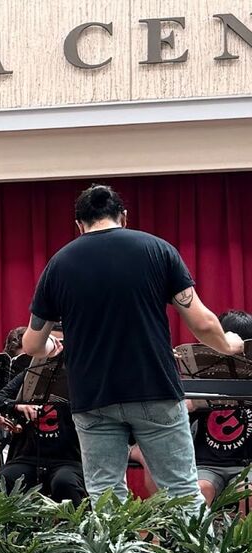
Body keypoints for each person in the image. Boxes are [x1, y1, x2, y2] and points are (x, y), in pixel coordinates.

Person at [23, 184, 245, 506]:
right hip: (153, 388)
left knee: (105, 499)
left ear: (78, 225)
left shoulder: (59, 264)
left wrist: (48, 350)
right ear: (124, 217)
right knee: (183, 493)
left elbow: (32, 344)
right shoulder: (158, 250)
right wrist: (230, 345)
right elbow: (204, 324)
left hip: (92, 397)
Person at [0, 327, 88, 505]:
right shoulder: (29, 375)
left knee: (65, 483)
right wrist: (17, 406)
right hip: (27, 455)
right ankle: (11, 532)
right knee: (7, 478)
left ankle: (75, 531)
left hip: (68, 458)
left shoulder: (80, 379)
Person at [188, 310, 252, 507]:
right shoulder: (200, 377)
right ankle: (199, 539)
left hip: (247, 465)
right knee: (199, 491)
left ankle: (241, 539)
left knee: (247, 493)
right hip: (207, 465)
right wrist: (192, 403)